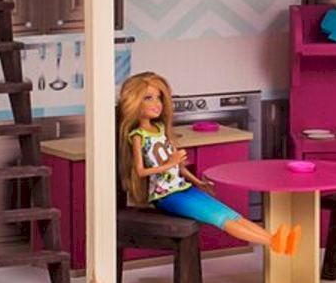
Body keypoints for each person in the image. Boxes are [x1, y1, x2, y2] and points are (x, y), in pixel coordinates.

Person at [117, 72, 298, 255]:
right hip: (165, 196)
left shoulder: (161, 128)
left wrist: (197, 182)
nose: (157, 103)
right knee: (219, 218)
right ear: (134, 102)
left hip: (182, 187)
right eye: (149, 98)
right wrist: (170, 163)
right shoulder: (138, 136)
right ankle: (273, 241)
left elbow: (179, 166)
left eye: (159, 98)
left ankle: (277, 239)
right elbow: (140, 171)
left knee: (230, 213)